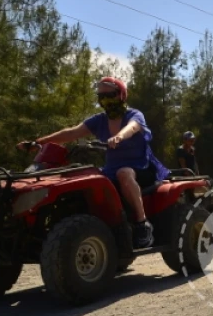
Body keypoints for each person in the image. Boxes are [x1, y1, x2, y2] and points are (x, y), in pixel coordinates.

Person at [18, 76, 169, 249]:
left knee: (124, 173)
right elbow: (71, 133)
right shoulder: (99, 120)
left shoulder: (134, 115)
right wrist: (39, 142)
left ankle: (143, 225)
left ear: (121, 95)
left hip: (140, 167)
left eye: (110, 94)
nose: (105, 100)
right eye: (101, 96)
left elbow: (133, 127)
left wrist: (119, 136)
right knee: (84, 178)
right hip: (111, 169)